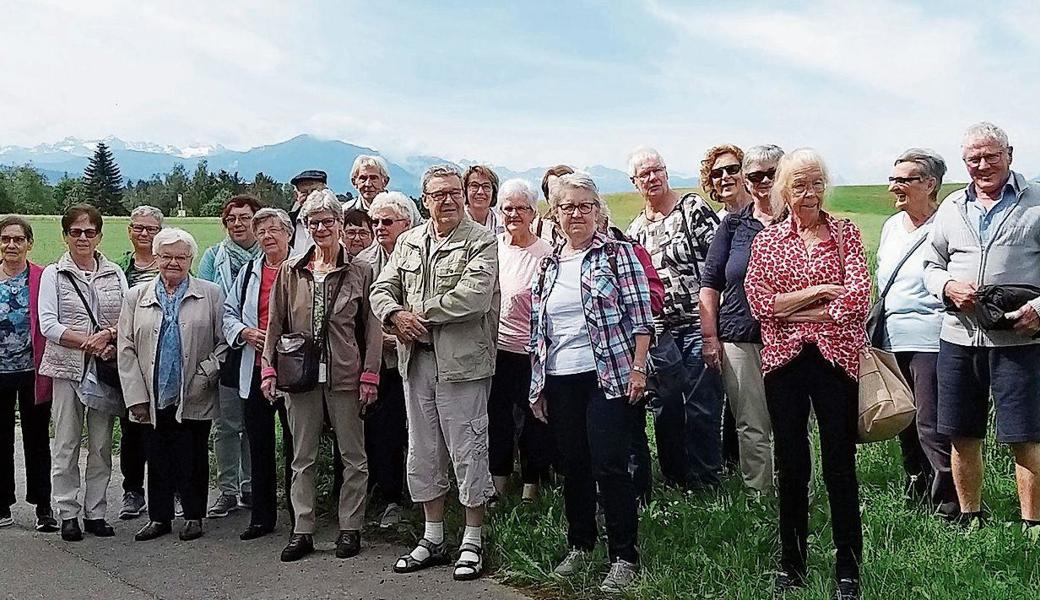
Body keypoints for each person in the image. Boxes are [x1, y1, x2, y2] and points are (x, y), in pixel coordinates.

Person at [745, 149, 870, 599]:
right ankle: (792, 563)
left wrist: (791, 308)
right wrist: (818, 293)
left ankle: (847, 569)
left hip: (837, 361)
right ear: (784, 190)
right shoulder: (769, 241)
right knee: (792, 464)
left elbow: (857, 297)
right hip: (784, 364)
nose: (810, 192)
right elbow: (760, 304)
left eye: (816, 182)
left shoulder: (845, 233)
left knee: (840, 465)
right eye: (799, 184)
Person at [370, 164, 499, 581]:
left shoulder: (481, 241)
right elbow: (381, 288)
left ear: (463, 195)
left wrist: (416, 315)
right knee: (423, 451)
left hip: (462, 366)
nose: (446, 200)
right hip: (417, 363)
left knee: (468, 448)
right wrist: (393, 314)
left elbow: (474, 297)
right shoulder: (408, 241)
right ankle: (432, 536)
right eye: (437, 194)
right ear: (424, 200)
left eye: (452, 193)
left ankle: (473, 539)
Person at [528, 172, 653, 594]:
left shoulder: (619, 254)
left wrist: (638, 369)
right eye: (568, 207)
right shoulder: (547, 264)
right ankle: (580, 544)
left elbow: (641, 319)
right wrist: (537, 387)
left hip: (608, 377)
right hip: (560, 378)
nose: (576, 213)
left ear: (598, 212)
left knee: (609, 464)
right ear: (555, 214)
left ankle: (623, 556)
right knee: (574, 465)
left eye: (585, 206)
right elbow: (538, 331)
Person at [923, 122, 1040, 529]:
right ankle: (970, 516)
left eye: (991, 155)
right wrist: (948, 286)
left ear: (1010, 154)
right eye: (973, 158)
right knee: (961, 432)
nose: (982, 164)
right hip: (958, 336)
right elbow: (930, 265)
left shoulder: (1036, 201)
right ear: (964, 163)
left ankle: (1032, 523)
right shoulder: (952, 207)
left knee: (1025, 434)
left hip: (1019, 339)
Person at [261, 189, 382, 562]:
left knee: (353, 456)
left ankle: (350, 528)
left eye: (328, 222)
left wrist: (370, 375)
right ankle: (303, 529)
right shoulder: (291, 270)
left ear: (341, 225)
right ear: (305, 226)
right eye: (313, 223)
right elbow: (275, 323)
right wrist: (268, 368)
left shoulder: (361, 271)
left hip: (346, 374)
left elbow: (372, 328)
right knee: (302, 456)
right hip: (300, 375)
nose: (321, 229)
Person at [118, 229, 228, 542]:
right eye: (167, 257)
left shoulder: (211, 293)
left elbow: (223, 343)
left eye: (181, 257)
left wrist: (207, 374)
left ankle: (194, 516)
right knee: (156, 454)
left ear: (191, 259)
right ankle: (159, 518)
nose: (174, 263)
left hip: (194, 389)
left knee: (193, 453)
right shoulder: (136, 296)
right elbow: (125, 348)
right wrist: (136, 395)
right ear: (156, 259)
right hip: (153, 391)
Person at [624, 146, 723, 491]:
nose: (652, 178)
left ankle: (707, 477)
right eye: (644, 174)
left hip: (698, 322)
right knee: (665, 406)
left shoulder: (692, 209)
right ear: (634, 182)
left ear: (666, 172)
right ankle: (675, 478)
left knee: (701, 404)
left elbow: (717, 264)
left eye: (657, 170)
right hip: (660, 331)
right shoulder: (635, 229)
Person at [39, 204, 129, 542]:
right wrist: (87, 342)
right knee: (66, 443)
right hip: (67, 370)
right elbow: (48, 324)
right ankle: (68, 512)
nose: (82, 237)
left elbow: (126, 317)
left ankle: (96, 511)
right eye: (75, 232)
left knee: (103, 444)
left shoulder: (115, 273)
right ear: (65, 236)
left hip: (104, 370)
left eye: (89, 231)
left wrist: (107, 336)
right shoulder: (54, 274)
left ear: (99, 236)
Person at [699, 144, 783, 495]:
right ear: (746, 181)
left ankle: (798, 492)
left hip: (792, 336)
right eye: (755, 175)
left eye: (771, 174)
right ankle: (759, 495)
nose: (763, 181)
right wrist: (709, 338)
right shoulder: (734, 226)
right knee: (751, 423)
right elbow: (710, 283)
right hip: (739, 334)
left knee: (792, 423)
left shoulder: (800, 223)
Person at [878, 148, 958, 517]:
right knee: (904, 420)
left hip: (931, 337)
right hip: (891, 338)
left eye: (904, 180)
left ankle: (949, 504)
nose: (895, 186)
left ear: (929, 184)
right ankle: (917, 491)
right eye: (893, 178)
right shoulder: (891, 226)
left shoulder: (948, 224)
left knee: (931, 423)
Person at [223, 208, 296, 540]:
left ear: (288, 233)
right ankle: (262, 517)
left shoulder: (303, 269)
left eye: (274, 230)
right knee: (260, 445)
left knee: (297, 447)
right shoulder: (250, 271)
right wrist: (243, 332)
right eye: (262, 231)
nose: (267, 236)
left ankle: (300, 516)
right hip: (254, 370)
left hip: (294, 372)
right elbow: (228, 313)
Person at [488, 179, 554, 501]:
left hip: (530, 352)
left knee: (532, 420)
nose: (514, 214)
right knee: (497, 418)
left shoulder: (545, 254)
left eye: (521, 208)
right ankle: (498, 482)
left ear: (533, 212)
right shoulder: (492, 248)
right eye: (508, 208)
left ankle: (532, 484)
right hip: (495, 351)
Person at [356, 191, 419, 529]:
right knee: (383, 432)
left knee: (420, 432)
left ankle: (419, 498)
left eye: (387, 221)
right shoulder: (364, 261)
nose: (379, 227)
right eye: (375, 221)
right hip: (378, 363)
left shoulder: (420, 254)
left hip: (417, 353)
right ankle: (390, 497)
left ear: (406, 224)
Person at [199, 194, 263, 518]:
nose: (238, 224)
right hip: (226, 350)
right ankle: (227, 489)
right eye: (231, 219)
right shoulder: (213, 257)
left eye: (245, 217)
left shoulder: (269, 255)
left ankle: (251, 485)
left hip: (261, 349)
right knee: (226, 423)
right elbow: (207, 300)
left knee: (254, 421)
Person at [0, 216, 57, 532]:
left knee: (37, 440)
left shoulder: (41, 277)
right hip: (0, 371)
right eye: (6, 239)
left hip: (34, 370)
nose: (11, 245)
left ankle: (43, 506)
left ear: (28, 244)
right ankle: (2, 504)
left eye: (18, 239)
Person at [114, 205, 164, 520]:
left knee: (169, 427)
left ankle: (169, 488)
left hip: (164, 359)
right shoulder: (118, 268)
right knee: (132, 425)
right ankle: (133, 491)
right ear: (129, 231)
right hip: (130, 356)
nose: (144, 233)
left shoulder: (173, 262)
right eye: (138, 227)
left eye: (151, 228)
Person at [701, 144, 753, 218]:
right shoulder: (717, 223)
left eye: (732, 169)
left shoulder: (768, 213)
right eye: (717, 173)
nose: (725, 176)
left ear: (745, 173)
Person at [288, 170, 328, 256]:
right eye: (304, 193)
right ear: (296, 195)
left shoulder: (334, 222)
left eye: (314, 191)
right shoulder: (288, 222)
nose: (310, 197)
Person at [463, 164, 502, 234]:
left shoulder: (502, 225)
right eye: (474, 186)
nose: (480, 192)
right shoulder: (456, 222)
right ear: (465, 190)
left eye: (486, 186)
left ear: (494, 191)